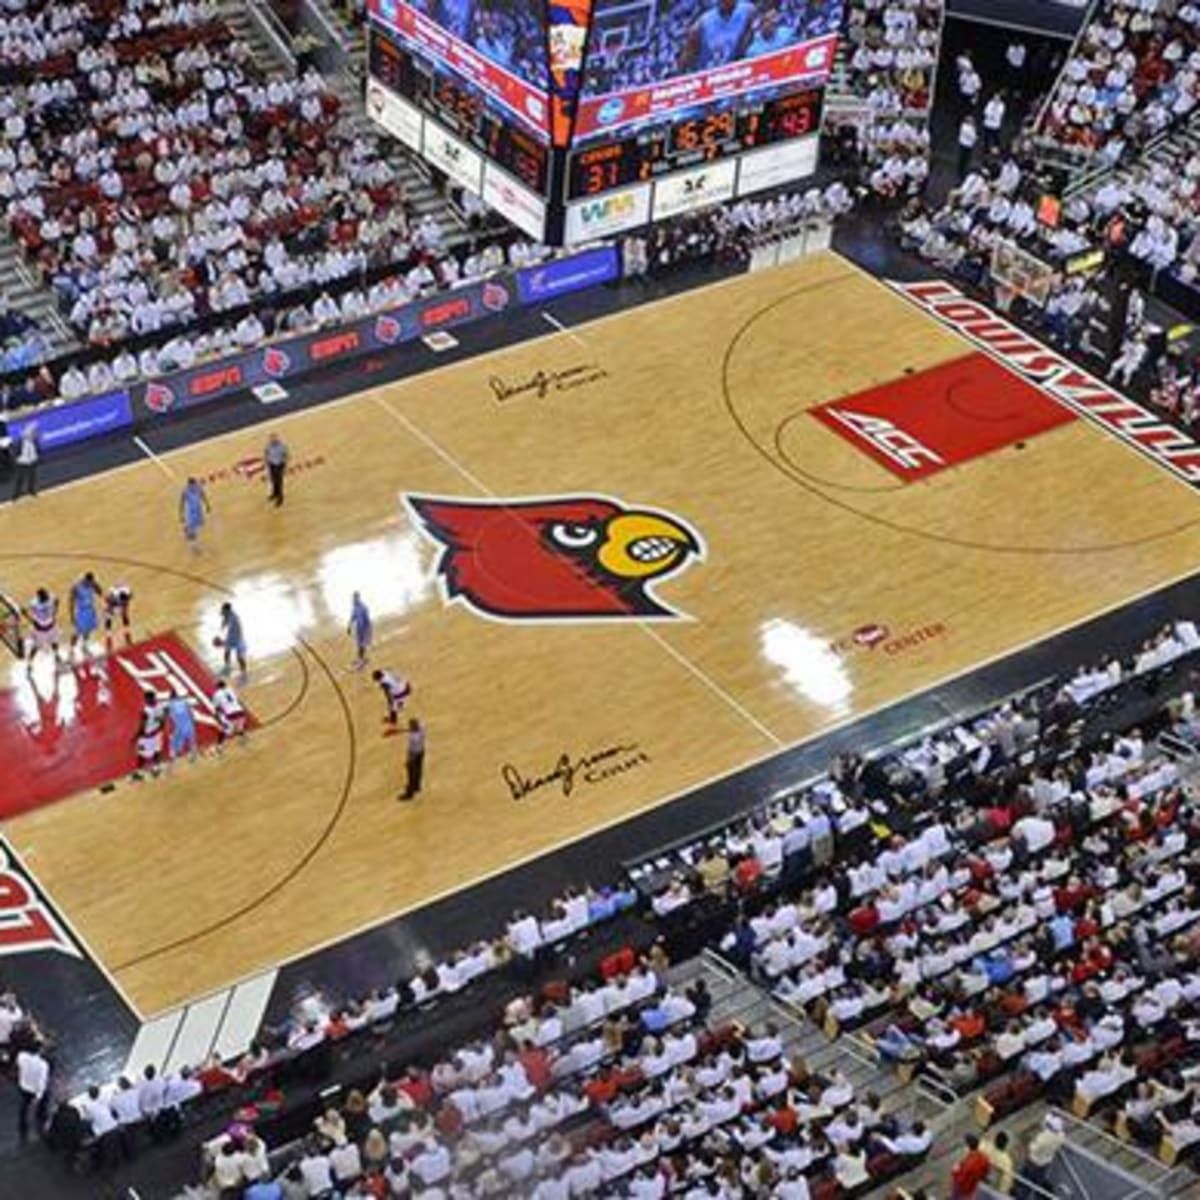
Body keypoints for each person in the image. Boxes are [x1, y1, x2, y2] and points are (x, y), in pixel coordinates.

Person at [16, 1042, 49, 1142]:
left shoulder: (21, 1056)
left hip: (23, 1086)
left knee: (24, 1105)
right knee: (42, 1107)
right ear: (39, 1050)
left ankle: (22, 1124)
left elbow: (19, 1065)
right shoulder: (43, 1065)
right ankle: (41, 1123)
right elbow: (41, 1082)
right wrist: (38, 1097)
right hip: (35, 1090)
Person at [132, 689, 167, 779]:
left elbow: (142, 727)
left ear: (147, 699)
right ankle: (156, 769)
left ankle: (139, 773)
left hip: (146, 738)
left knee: (141, 755)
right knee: (156, 751)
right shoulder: (160, 707)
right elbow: (163, 723)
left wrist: (135, 737)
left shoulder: (145, 711)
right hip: (157, 735)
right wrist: (157, 730)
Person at [23, 587, 59, 667]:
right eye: (44, 596)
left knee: (54, 642)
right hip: (40, 630)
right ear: (39, 597)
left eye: (46, 595)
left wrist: (55, 612)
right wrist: (31, 620)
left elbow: (57, 600)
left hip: (52, 626)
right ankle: (30, 662)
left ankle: (56, 655)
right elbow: (25, 610)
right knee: (36, 647)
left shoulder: (51, 597)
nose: (46, 597)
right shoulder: (34, 603)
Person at [950, 1133, 992, 1199]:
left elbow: (960, 1179)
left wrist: (954, 1171)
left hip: (964, 1188)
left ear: (968, 1146)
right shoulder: (984, 1158)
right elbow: (987, 1171)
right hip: (974, 1188)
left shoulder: (969, 1163)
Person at [70, 571, 102, 655]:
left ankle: (84, 645)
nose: (90, 583)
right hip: (81, 611)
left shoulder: (92, 584)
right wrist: (72, 615)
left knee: (88, 630)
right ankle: (71, 649)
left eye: (91, 582)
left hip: (90, 610)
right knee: (76, 632)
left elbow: (100, 592)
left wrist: (96, 584)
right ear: (85, 580)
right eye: (89, 582)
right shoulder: (76, 586)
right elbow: (71, 601)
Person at [211, 677, 247, 751]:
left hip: (231, 714)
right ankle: (243, 739)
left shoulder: (217, 694)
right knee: (239, 727)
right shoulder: (231, 690)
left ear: (217, 686)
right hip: (240, 711)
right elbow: (238, 700)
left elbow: (216, 708)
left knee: (226, 730)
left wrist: (216, 717)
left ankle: (219, 746)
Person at [179, 477, 210, 548]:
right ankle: (193, 545)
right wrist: (181, 514)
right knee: (193, 529)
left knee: (199, 525)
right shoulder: (185, 491)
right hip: (190, 512)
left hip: (198, 510)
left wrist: (207, 505)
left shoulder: (198, 488)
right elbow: (181, 503)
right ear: (189, 485)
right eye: (192, 485)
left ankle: (187, 529)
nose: (193, 486)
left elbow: (203, 496)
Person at [167, 695, 198, 764]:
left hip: (179, 726)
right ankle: (192, 755)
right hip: (188, 724)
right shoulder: (184, 702)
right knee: (191, 740)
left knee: (175, 741)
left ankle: (174, 756)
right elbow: (191, 713)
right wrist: (193, 722)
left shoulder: (171, 704)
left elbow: (170, 717)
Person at [11, 421, 39, 500]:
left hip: (32, 461)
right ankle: (16, 495)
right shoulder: (20, 441)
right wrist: (16, 459)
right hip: (22, 462)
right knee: (20, 479)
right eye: (31, 432)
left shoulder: (34, 440)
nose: (33, 434)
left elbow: (37, 448)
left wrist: (36, 457)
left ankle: (31, 491)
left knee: (32, 477)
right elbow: (16, 451)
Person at [218, 601, 247, 675]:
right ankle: (227, 665)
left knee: (239, 657)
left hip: (238, 638)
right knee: (227, 652)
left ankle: (243, 671)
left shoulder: (234, 618)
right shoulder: (227, 614)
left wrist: (222, 641)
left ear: (227, 610)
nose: (222, 611)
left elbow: (230, 626)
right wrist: (223, 625)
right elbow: (224, 618)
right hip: (231, 636)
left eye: (223, 610)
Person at [401, 718, 425, 801]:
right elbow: (419, 725)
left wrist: (408, 761)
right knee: (418, 770)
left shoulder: (414, 738)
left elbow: (412, 751)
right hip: (421, 752)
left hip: (414, 755)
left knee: (411, 773)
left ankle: (409, 794)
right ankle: (417, 786)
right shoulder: (422, 729)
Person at [348, 591, 373, 670]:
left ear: (358, 597)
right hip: (358, 629)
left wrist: (368, 631)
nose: (354, 599)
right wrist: (349, 626)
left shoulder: (364, 607)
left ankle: (361, 661)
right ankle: (360, 660)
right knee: (359, 645)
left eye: (356, 597)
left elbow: (367, 619)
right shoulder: (354, 607)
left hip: (364, 628)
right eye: (353, 598)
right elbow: (352, 618)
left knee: (362, 645)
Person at [264, 433, 289, 506]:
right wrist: (267, 462)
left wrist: (284, 466)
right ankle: (274, 494)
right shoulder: (268, 446)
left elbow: (286, 455)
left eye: (274, 438)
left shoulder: (282, 446)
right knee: (273, 481)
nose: (272, 440)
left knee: (279, 482)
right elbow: (266, 453)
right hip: (272, 465)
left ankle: (280, 498)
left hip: (280, 465)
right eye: (271, 439)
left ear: (277, 439)